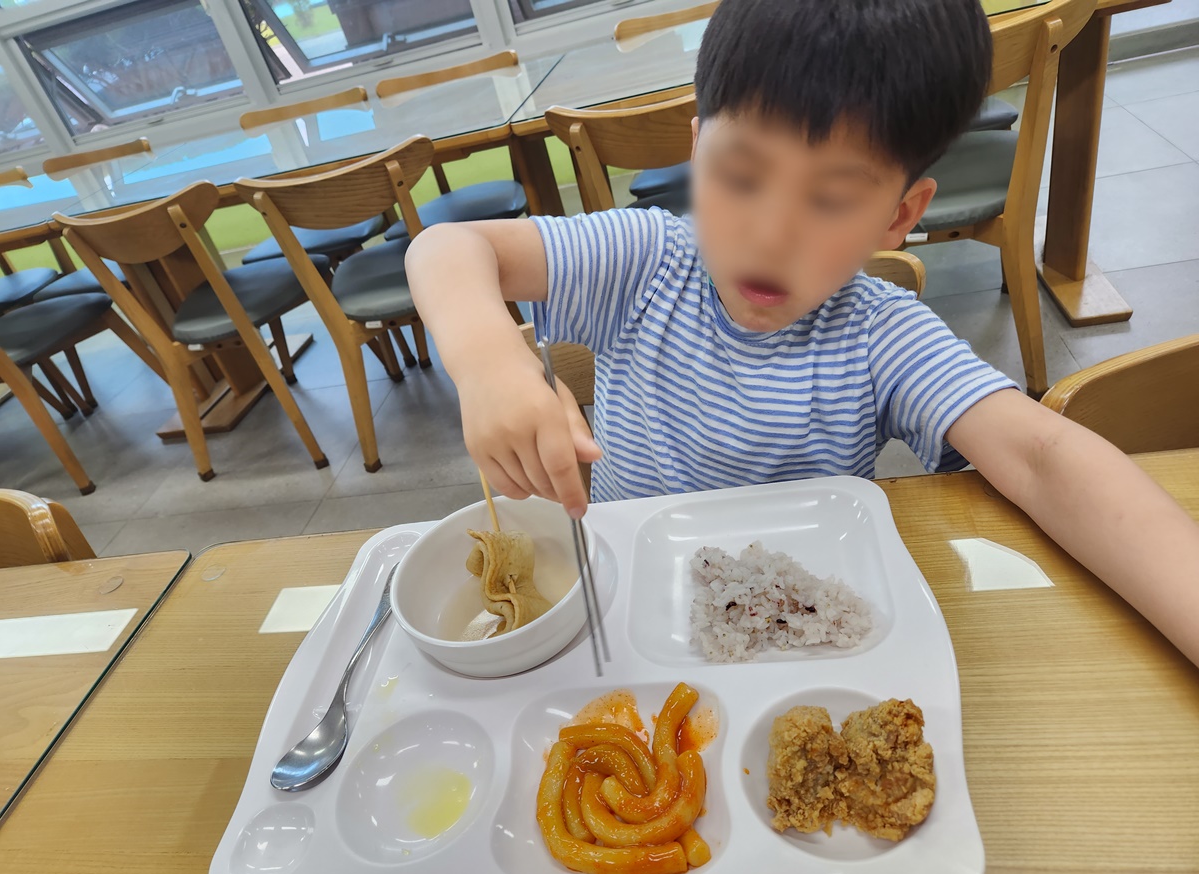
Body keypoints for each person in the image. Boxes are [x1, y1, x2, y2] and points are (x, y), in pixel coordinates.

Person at [406, 0, 1199, 666]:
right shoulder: (646, 259)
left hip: (790, 638)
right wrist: (488, 358)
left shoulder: (879, 336)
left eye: (830, 200)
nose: (770, 235)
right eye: (741, 176)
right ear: (697, 150)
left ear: (898, 216)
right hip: (621, 608)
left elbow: (1044, 458)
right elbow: (446, 248)